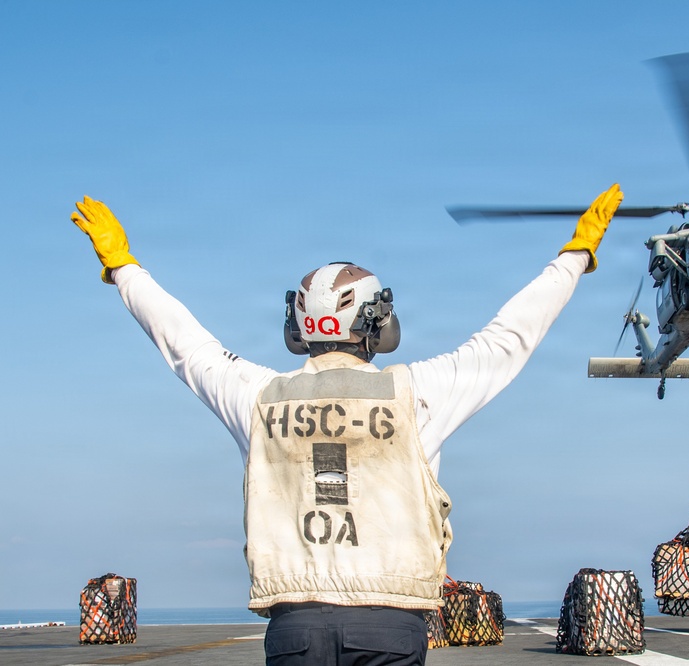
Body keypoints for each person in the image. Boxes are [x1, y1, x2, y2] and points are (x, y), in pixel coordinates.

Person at [70, 184, 623, 665]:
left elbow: (184, 343)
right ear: (377, 324)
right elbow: (509, 337)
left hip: (294, 631)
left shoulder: (258, 395)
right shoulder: (416, 393)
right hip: (389, 624)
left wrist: (123, 266)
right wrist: (573, 255)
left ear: (299, 326)